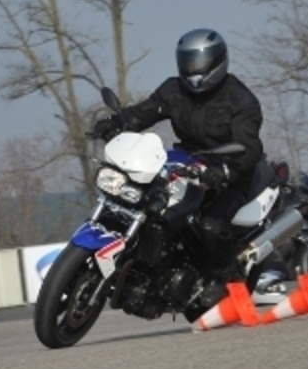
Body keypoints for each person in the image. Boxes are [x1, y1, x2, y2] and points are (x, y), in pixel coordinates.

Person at [91, 28, 263, 280]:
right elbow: (144, 112)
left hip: (231, 172)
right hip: (186, 163)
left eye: (200, 63)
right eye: (188, 62)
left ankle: (227, 282)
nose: (194, 69)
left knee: (211, 226)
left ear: (216, 62)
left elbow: (249, 146)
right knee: (149, 203)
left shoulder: (240, 99)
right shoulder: (174, 89)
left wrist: (226, 170)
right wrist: (116, 122)